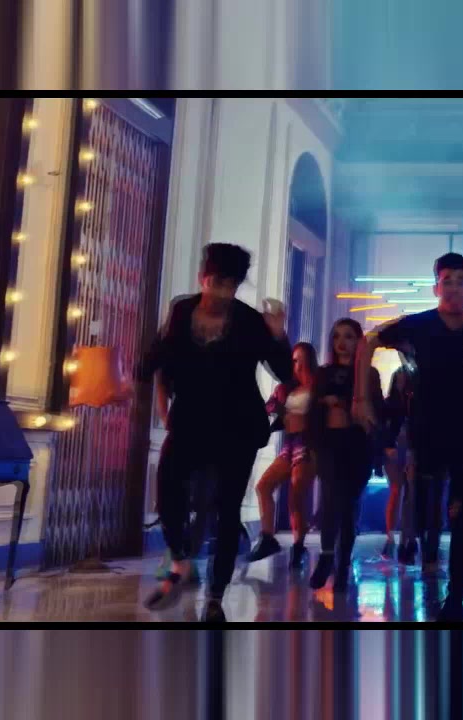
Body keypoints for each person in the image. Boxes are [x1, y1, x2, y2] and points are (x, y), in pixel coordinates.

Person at [137, 243, 291, 623]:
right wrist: (137, 378)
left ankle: (216, 597)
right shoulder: (181, 311)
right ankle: (180, 561)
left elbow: (285, 373)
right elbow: (157, 355)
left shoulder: (250, 321)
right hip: (190, 420)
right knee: (168, 491)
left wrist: (277, 336)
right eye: (217, 281)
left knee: (227, 508)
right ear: (203, 278)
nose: (223, 291)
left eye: (231, 284)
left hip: (237, 426)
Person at [353, 252, 463, 621]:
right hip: (426, 432)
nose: (453, 288)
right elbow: (368, 340)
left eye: (460, 281)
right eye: (446, 280)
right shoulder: (418, 324)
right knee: (426, 510)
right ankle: (431, 564)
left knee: (462, 512)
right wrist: (361, 398)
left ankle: (456, 595)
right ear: (436, 287)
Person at [308, 319, 383, 593]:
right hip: (329, 445)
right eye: (337, 336)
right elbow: (313, 411)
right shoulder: (323, 373)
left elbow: (375, 411)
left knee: (349, 507)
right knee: (330, 500)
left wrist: (342, 404)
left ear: (358, 341)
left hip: (357, 445)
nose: (342, 342)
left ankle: (343, 567)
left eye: (349, 336)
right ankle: (327, 556)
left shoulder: (369, 375)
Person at [247, 342, 319, 570]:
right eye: (294, 360)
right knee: (263, 486)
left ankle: (298, 546)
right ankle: (267, 537)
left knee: (296, 493)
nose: (296, 365)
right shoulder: (288, 388)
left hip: (308, 443)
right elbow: (269, 408)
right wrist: (277, 403)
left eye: (300, 359)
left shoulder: (317, 386)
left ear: (309, 360)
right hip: (290, 443)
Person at [380, 362, 417, 565]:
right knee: (397, 491)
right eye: (400, 379)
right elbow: (382, 428)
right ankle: (391, 537)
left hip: (410, 449)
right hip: (393, 450)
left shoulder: (415, 404)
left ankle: (405, 538)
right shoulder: (389, 404)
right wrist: (386, 447)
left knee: (409, 494)